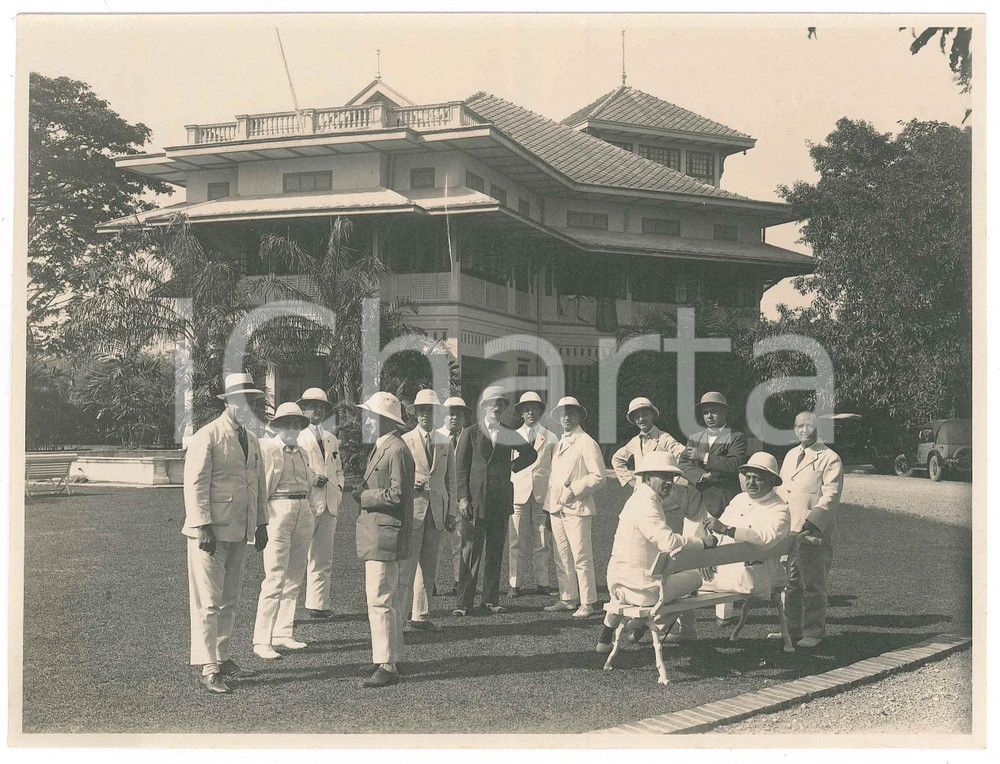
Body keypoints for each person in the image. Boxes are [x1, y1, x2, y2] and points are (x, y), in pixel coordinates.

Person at [182, 372, 269, 695]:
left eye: (252, 400)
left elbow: (257, 484)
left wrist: (260, 523)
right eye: (242, 399)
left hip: (239, 529)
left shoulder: (252, 438)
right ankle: (208, 667)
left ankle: (223, 656)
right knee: (208, 601)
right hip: (210, 533)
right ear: (229, 401)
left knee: (229, 598)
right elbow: (195, 484)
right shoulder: (208, 435)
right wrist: (202, 525)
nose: (247, 405)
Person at [596, 452, 717, 653]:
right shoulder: (646, 503)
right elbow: (668, 541)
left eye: (671, 477)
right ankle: (647, 624)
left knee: (671, 578)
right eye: (663, 477)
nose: (668, 482)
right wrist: (701, 543)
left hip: (616, 583)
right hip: (642, 589)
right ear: (647, 478)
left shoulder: (639, 499)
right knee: (695, 579)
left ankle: (606, 636)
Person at [454, 386, 537, 616]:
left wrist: (512, 466)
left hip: (500, 500)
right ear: (484, 407)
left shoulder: (509, 432)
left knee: (495, 552)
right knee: (470, 552)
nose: (497, 408)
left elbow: (530, 454)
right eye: (493, 403)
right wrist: (462, 497)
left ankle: (490, 600)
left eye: (501, 404)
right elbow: (461, 468)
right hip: (475, 501)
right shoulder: (470, 432)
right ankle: (463, 603)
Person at [352, 391, 415, 688]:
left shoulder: (396, 450)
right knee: (385, 599)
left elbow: (397, 494)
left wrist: (364, 496)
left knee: (381, 600)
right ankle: (388, 656)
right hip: (379, 532)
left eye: (371, 416)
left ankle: (387, 663)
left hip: (385, 532)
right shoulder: (386, 447)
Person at [774, 411, 844, 648]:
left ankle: (813, 631)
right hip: (789, 531)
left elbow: (831, 497)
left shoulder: (830, 458)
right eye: (799, 425)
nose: (804, 429)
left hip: (814, 532)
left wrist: (810, 525)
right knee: (790, 583)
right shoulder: (791, 454)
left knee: (814, 584)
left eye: (809, 425)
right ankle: (792, 629)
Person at [252, 403, 317, 659]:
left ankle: (283, 632)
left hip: (303, 509)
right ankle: (261, 640)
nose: (292, 428)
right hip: (278, 510)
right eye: (286, 424)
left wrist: (309, 509)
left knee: (294, 575)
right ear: (277, 426)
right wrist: (261, 521)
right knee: (275, 576)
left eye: (296, 424)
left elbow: (309, 484)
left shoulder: (302, 451)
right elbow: (262, 486)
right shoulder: (268, 449)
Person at [543, 396, 607, 618]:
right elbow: (555, 477)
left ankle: (587, 602)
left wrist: (574, 489)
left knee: (581, 556)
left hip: (578, 507)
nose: (566, 417)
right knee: (561, 555)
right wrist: (551, 503)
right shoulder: (561, 442)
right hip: (557, 508)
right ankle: (568, 598)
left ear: (579, 416)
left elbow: (599, 477)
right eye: (563, 414)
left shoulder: (587, 442)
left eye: (571, 413)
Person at [400, 389, 457, 632]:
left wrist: (451, 511)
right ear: (415, 414)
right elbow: (398, 474)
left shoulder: (445, 441)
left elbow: (451, 480)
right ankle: (400, 617)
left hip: (437, 510)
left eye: (430, 410)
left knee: (429, 564)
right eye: (421, 410)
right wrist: (409, 483)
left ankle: (420, 616)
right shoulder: (405, 440)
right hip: (413, 508)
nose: (425, 414)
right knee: (407, 564)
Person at [705, 451, 791, 598]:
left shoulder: (779, 509)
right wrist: (708, 557)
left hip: (751, 576)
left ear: (771, 481)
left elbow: (765, 539)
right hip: (724, 568)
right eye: (748, 477)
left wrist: (727, 530)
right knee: (684, 576)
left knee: (684, 581)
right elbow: (717, 534)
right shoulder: (740, 499)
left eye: (757, 479)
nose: (750, 483)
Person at [296, 388, 345, 619]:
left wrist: (339, 490)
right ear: (303, 408)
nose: (317, 410)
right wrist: (310, 479)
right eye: (312, 405)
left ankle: (318, 605)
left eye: (321, 406)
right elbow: (293, 469)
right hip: (306, 502)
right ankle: (286, 611)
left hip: (329, 504)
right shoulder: (296, 436)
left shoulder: (330, 438)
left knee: (323, 556)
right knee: (296, 556)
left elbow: (338, 470)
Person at [508, 392, 558, 597]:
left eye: (534, 408)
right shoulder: (512, 436)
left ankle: (543, 582)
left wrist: (551, 497)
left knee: (542, 541)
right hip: (518, 494)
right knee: (516, 540)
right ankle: (514, 584)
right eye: (526, 409)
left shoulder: (551, 437)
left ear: (540, 411)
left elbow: (554, 469)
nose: (530, 412)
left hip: (541, 494)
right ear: (521, 412)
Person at [678, 392, 749, 521]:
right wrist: (701, 476)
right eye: (705, 412)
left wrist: (702, 455)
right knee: (692, 540)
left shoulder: (736, 437)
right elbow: (683, 463)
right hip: (695, 502)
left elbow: (734, 464)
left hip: (722, 503)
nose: (709, 416)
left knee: (723, 540)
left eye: (714, 411)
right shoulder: (695, 438)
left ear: (725, 412)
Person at [611, 396, 685, 490]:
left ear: (652, 415)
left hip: (662, 495)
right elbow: (617, 459)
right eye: (637, 416)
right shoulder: (635, 441)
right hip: (640, 493)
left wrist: (670, 479)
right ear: (634, 420)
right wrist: (630, 481)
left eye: (644, 414)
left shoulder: (664, 438)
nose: (641, 419)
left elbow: (684, 456)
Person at [436, 396, 470, 595]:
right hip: (439, 497)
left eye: (458, 413)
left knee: (460, 542)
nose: (454, 417)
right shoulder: (435, 435)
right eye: (450, 413)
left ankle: (459, 581)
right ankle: (430, 582)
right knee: (436, 544)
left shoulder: (470, 435)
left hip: (462, 497)